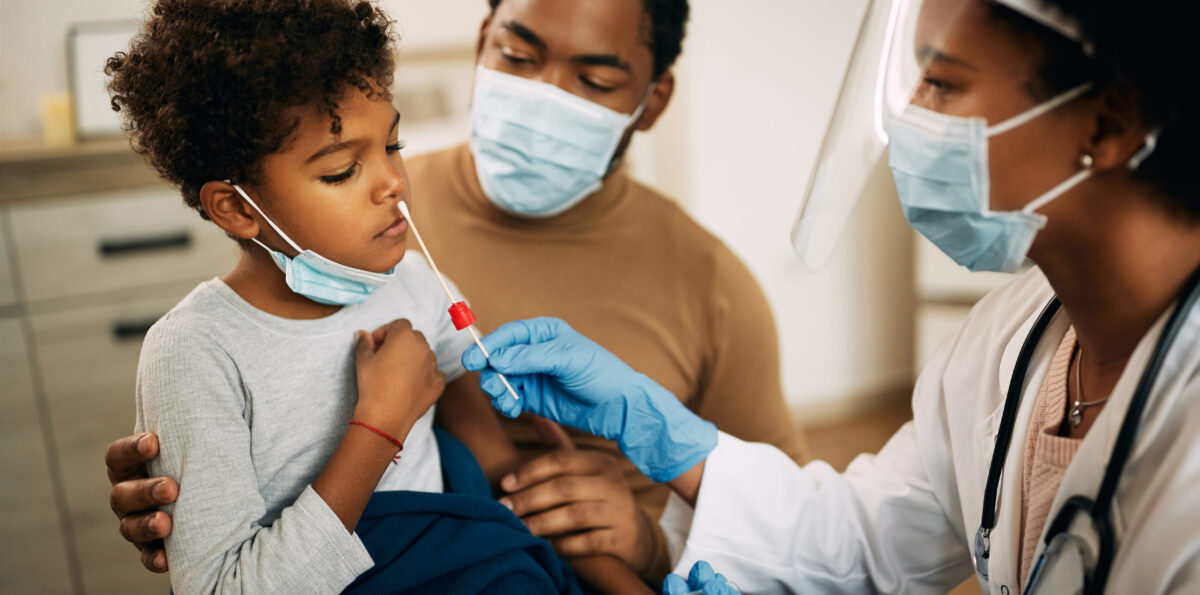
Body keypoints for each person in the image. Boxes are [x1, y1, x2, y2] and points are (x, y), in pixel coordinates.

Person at [459, 0, 1200, 592]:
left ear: (1107, 123)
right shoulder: (1013, 336)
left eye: (941, 82)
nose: (911, 115)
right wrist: (670, 437)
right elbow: (870, 540)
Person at [105, 0, 810, 584]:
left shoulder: (410, 275)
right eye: (343, 170)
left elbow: (517, 496)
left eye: (594, 79)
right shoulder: (212, 339)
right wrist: (376, 428)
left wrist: (649, 552)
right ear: (234, 208)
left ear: (653, 100)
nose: (393, 185)